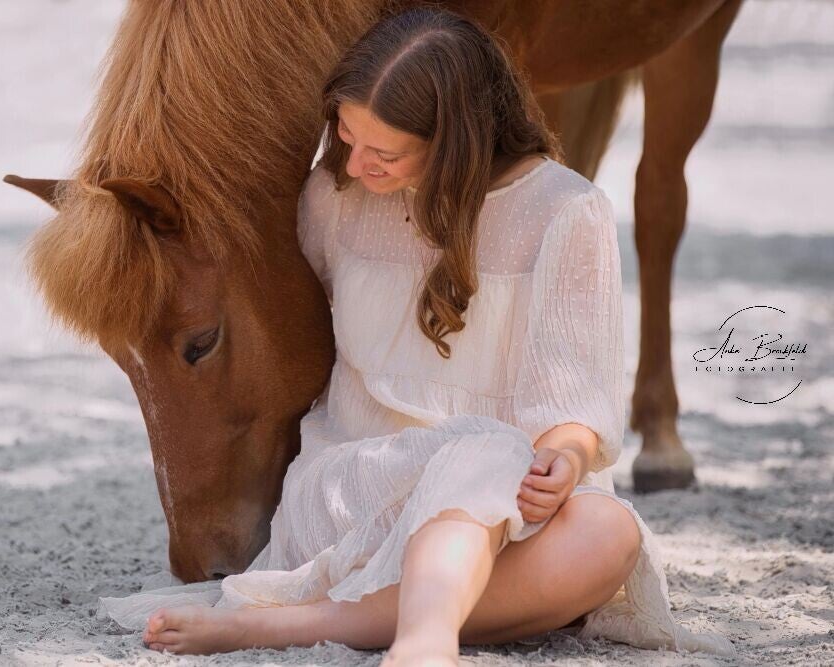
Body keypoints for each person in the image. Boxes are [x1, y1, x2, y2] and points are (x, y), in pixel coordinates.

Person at [98, 6, 736, 663]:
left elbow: (574, 393)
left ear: (455, 139)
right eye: (346, 137)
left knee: (607, 533)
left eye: (385, 152)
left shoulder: (567, 213)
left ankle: (297, 620)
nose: (355, 163)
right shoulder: (335, 200)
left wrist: (565, 457)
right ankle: (424, 637)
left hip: (496, 510)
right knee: (484, 450)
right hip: (359, 490)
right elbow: (279, 314)